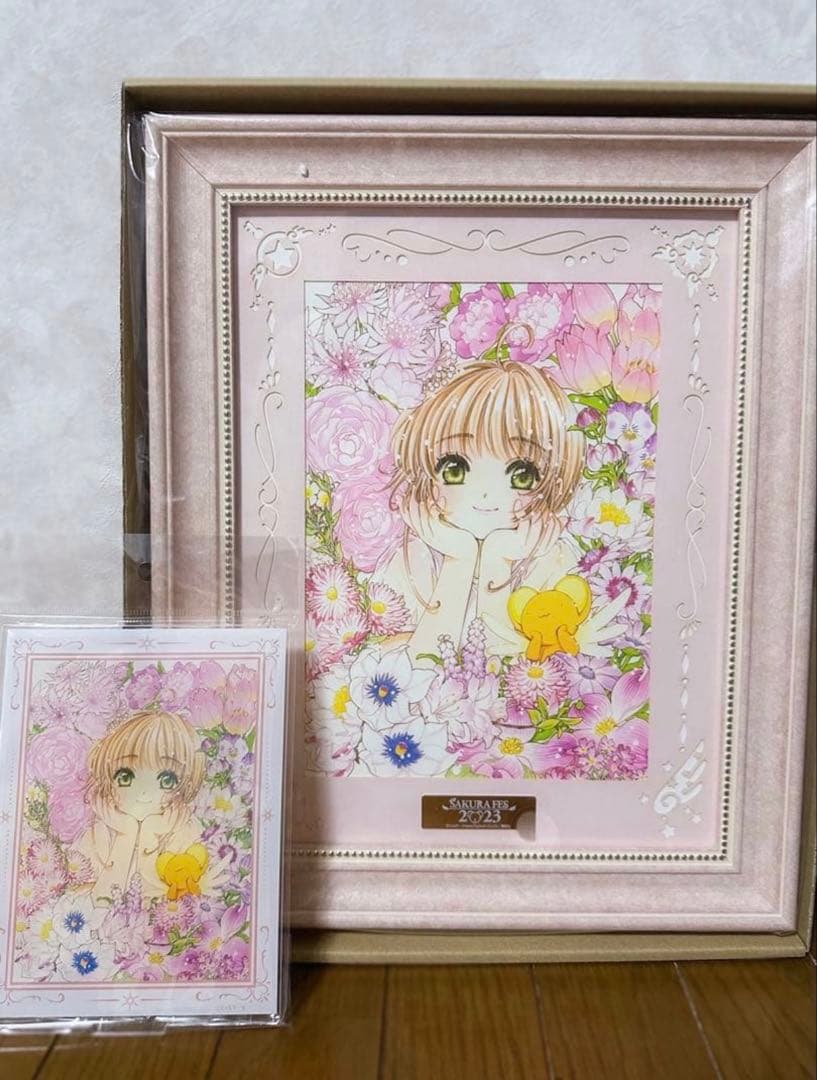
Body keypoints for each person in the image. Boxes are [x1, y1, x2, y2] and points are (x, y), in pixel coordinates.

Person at [380, 349, 586, 661]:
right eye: (455, 469)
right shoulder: (411, 561)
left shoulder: (554, 561)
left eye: (522, 475)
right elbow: (408, 673)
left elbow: (509, 676)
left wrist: (498, 558)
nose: (486, 496)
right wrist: (459, 559)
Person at [76, 709, 206, 903]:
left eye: (166, 780)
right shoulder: (97, 835)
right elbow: (94, 905)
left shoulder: (186, 834)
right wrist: (125, 834)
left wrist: (150, 834)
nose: (143, 794)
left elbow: (159, 909)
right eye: (125, 777)